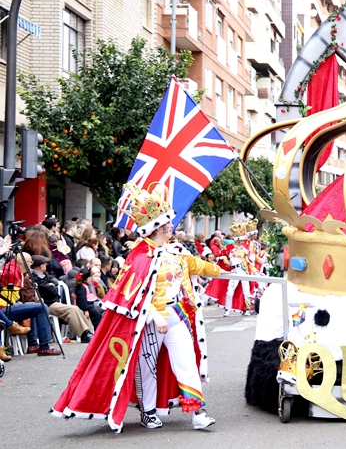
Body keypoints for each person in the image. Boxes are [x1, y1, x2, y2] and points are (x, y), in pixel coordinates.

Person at [52, 183, 224, 432]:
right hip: (151, 321)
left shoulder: (176, 253)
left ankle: (197, 412)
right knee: (147, 367)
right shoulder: (140, 258)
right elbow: (132, 295)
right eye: (167, 225)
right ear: (157, 228)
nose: (171, 228)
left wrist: (226, 271)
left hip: (176, 317)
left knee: (186, 362)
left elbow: (201, 267)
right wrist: (154, 315)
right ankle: (149, 411)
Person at [26, 254, 94, 343]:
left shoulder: (44, 275)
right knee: (70, 309)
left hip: (52, 301)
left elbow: (54, 281)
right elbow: (51, 291)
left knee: (75, 308)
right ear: (41, 266)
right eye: (45, 264)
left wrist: (52, 286)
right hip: (47, 304)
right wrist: (52, 287)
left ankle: (87, 331)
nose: (46, 266)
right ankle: (84, 334)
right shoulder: (34, 277)